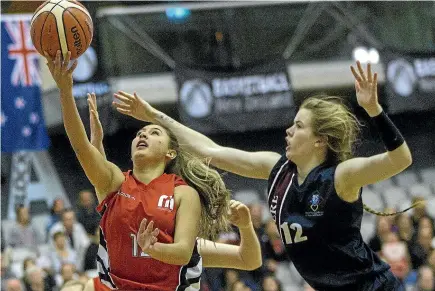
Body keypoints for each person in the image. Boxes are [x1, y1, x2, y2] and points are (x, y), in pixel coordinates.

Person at [113, 61, 417, 290]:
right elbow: (211, 150)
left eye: (298, 126)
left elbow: (401, 158)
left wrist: (374, 110)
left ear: (319, 140)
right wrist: (155, 115)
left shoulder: (341, 176)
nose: (288, 130)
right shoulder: (277, 169)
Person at [44, 50, 233, 290]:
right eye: (140, 133)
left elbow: (184, 253)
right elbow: (80, 147)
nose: (143, 134)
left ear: (170, 153)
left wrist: (153, 248)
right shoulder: (114, 182)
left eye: (154, 133)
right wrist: (65, 90)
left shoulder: (183, 193)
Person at [85, 94, 263, 290]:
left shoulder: (186, 245)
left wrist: (246, 226)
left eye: (154, 133)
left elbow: (249, 260)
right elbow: (103, 183)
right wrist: (96, 143)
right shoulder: (121, 214)